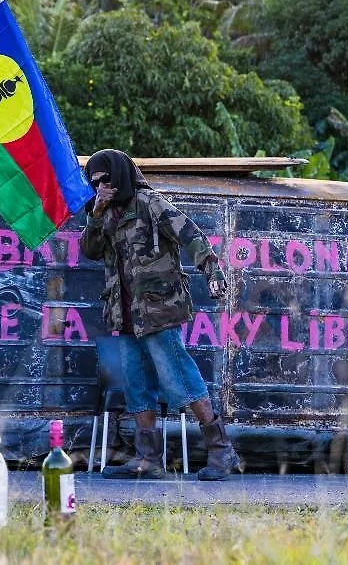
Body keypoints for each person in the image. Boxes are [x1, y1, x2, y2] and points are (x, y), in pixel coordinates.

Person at [81, 149, 241, 481]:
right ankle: (148, 458)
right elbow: (90, 250)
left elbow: (191, 235)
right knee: (137, 384)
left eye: (105, 180)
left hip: (158, 309)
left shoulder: (149, 203)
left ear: (121, 175)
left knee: (178, 377)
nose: (101, 187)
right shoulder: (103, 213)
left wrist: (212, 272)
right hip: (124, 314)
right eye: (94, 182)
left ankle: (221, 451)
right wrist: (95, 212)